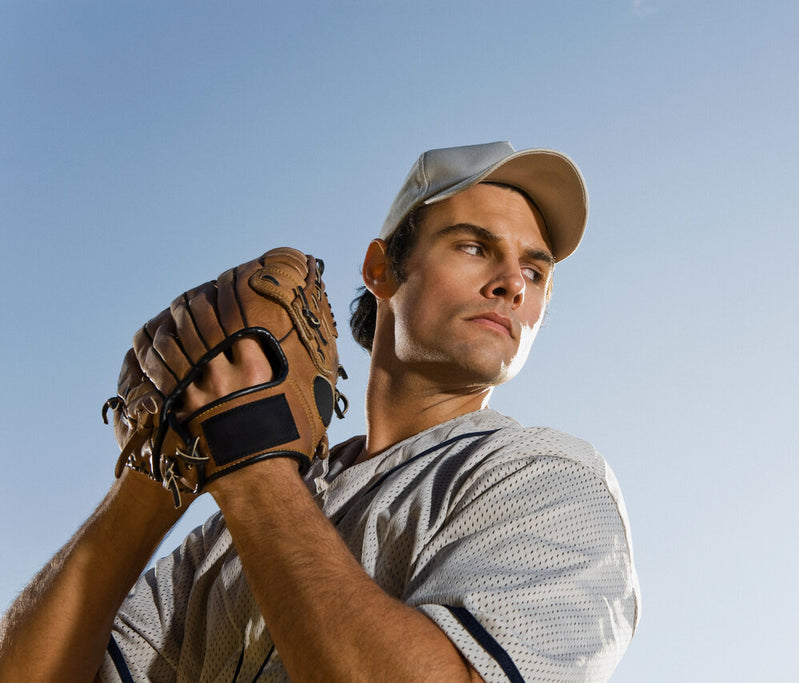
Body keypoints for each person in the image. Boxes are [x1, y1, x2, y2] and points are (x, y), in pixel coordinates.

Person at [0, 141, 640, 682]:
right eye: (475, 246)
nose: (512, 282)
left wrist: (250, 459)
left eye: (536, 270)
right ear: (381, 268)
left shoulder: (543, 480)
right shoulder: (231, 534)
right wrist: (153, 480)